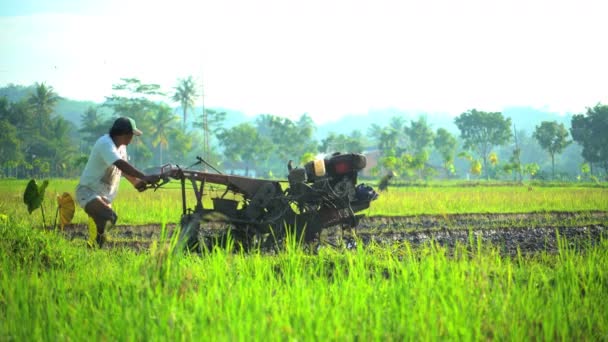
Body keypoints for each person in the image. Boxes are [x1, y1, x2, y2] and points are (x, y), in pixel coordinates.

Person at [76, 116, 159, 248]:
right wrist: (145, 176)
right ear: (125, 134)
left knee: (104, 227)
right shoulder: (105, 143)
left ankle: (92, 249)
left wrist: (136, 183)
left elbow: (123, 169)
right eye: (132, 135)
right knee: (110, 218)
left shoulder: (121, 148)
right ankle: (93, 246)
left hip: (104, 196)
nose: (132, 139)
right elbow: (120, 164)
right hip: (88, 191)